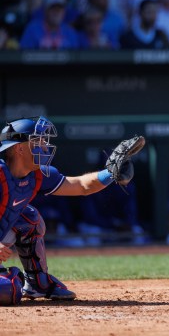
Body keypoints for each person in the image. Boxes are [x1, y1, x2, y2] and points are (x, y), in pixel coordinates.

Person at [0, 116, 143, 304]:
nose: (44, 146)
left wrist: (111, 173)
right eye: (37, 140)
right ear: (19, 148)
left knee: (29, 218)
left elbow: (82, 185)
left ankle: (37, 284)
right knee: (8, 290)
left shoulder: (38, 175)